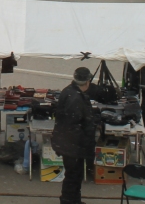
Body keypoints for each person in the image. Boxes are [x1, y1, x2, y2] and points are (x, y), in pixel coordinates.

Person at [51, 67, 96, 204]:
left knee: (74, 175)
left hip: (68, 142)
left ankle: (73, 200)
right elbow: (73, 123)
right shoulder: (76, 98)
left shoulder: (70, 91)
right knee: (73, 176)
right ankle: (69, 201)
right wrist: (84, 143)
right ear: (87, 81)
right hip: (73, 145)